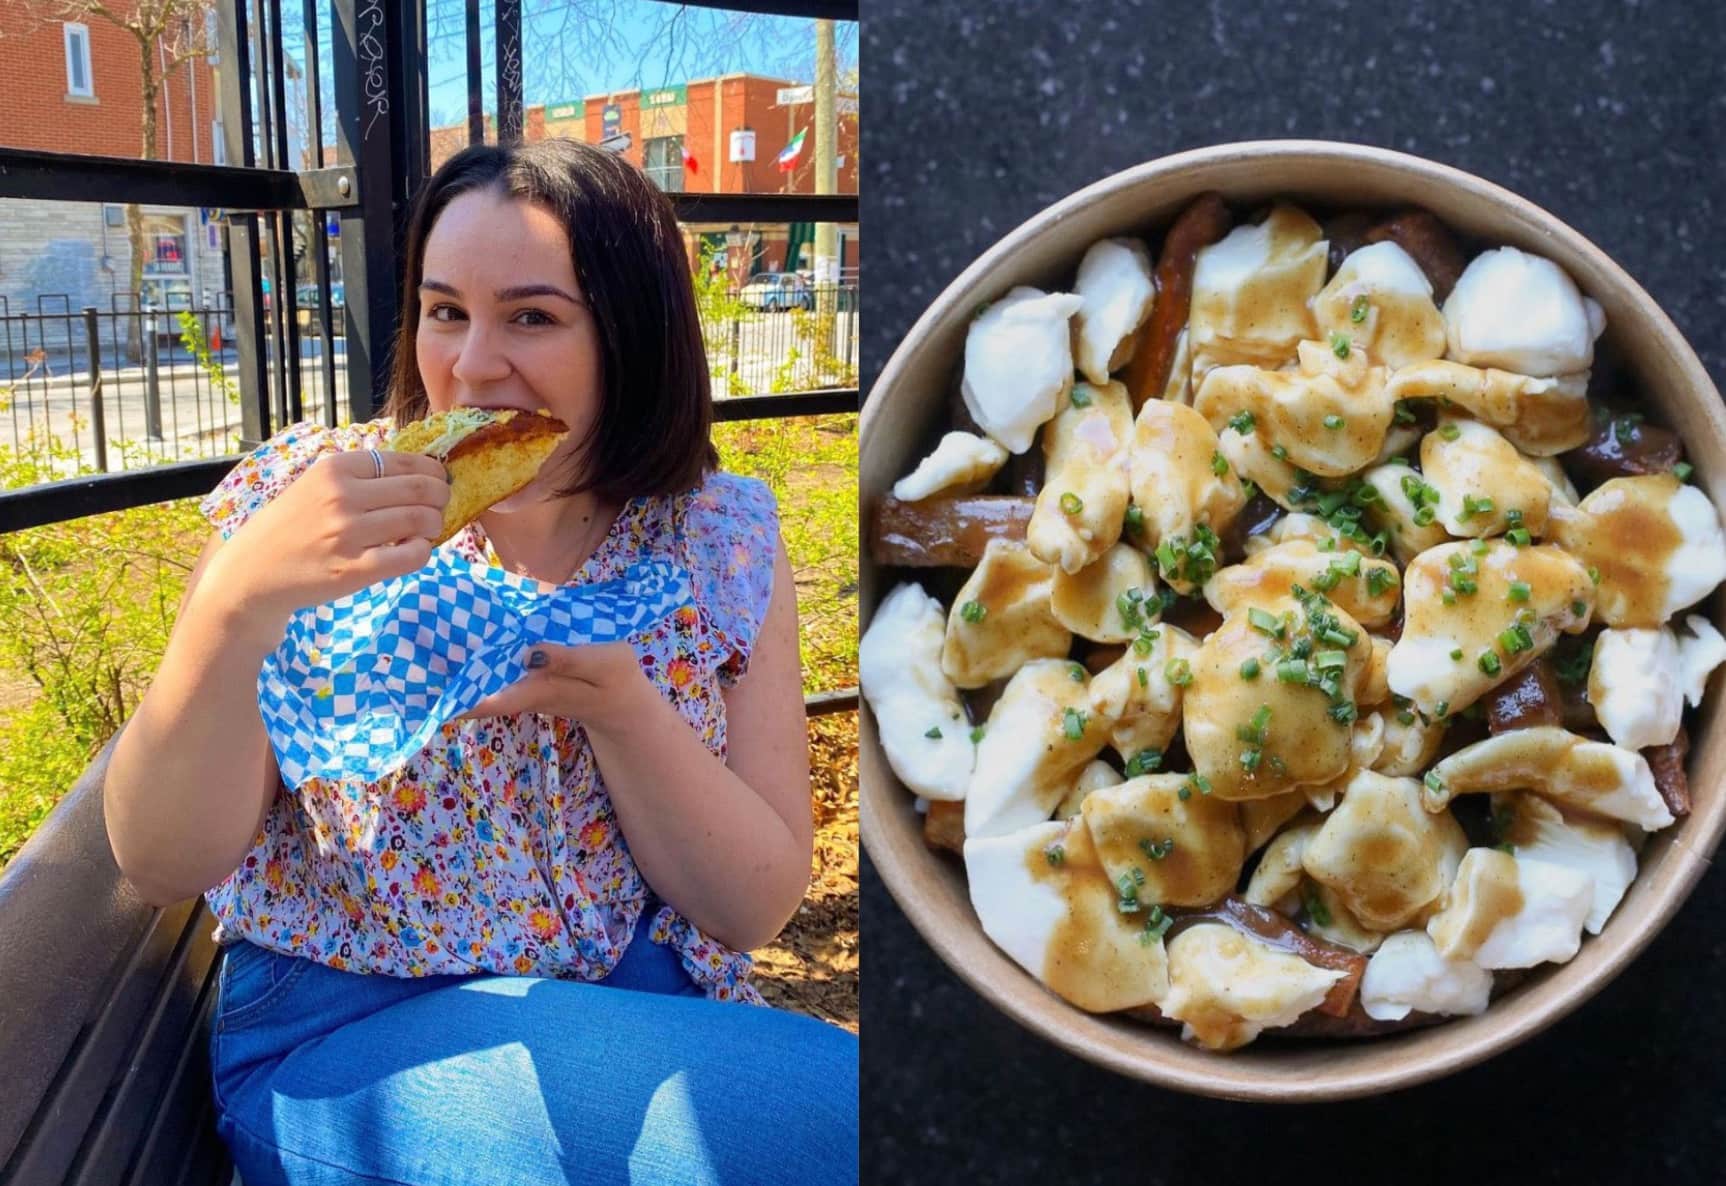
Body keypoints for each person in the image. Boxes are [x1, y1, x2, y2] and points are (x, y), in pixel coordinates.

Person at [102, 140, 858, 1186]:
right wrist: (233, 605)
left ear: (633, 335)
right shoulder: (307, 506)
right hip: (356, 1022)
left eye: (533, 316)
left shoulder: (713, 535)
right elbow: (156, 862)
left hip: (639, 997)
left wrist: (622, 709)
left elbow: (751, 907)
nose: (470, 365)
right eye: (446, 311)